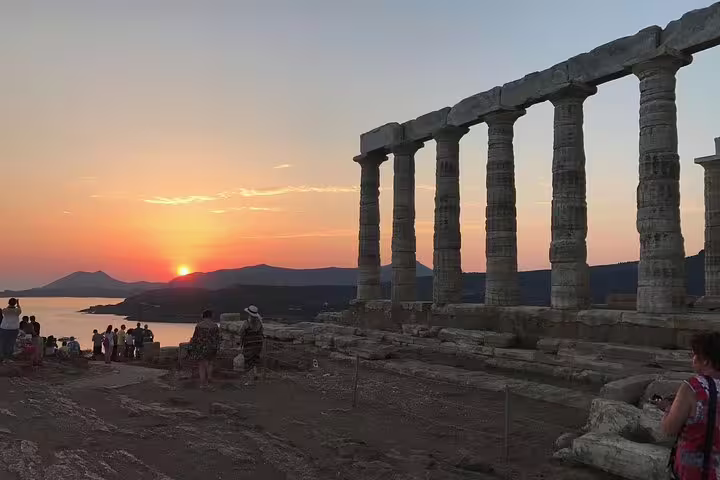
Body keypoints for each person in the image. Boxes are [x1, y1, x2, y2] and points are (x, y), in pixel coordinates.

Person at [657, 332, 720, 480]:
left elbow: (669, 429)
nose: (692, 359)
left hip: (693, 470)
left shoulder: (692, 388)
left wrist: (668, 409)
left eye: (694, 354)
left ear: (706, 360)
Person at [188, 309, 220, 388]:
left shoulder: (199, 325)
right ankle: (209, 377)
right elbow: (217, 338)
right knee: (210, 363)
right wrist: (216, 347)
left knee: (201, 365)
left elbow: (195, 337)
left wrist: (191, 347)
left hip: (200, 347)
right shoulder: (215, 326)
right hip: (211, 347)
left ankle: (203, 384)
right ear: (211, 316)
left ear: (203, 316)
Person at [238, 305, 265, 378]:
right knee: (255, 360)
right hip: (258, 344)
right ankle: (255, 375)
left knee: (248, 361)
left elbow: (240, 332)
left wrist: (240, 344)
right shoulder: (259, 323)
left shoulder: (246, 323)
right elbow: (262, 332)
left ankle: (251, 380)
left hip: (249, 345)